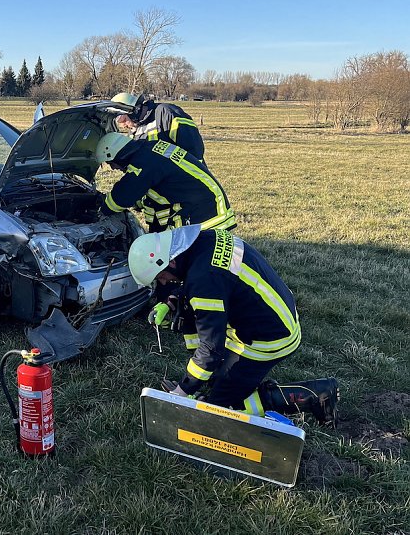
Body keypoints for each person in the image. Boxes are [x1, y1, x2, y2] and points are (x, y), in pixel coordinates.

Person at [128, 225, 339, 424]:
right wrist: (174, 300)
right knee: (215, 382)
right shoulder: (205, 240)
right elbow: (215, 281)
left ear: (169, 261)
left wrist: (182, 391)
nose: (164, 282)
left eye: (161, 276)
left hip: (267, 340)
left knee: (218, 411)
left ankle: (316, 395)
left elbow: (211, 348)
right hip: (274, 316)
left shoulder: (203, 280)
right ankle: (232, 385)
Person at [95, 132, 236, 233]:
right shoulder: (150, 148)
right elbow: (156, 186)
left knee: (188, 262)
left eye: (110, 163)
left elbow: (123, 196)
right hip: (209, 202)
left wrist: (103, 209)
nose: (113, 168)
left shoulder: (142, 164)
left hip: (204, 215)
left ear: (118, 157)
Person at [111, 92, 205, 160]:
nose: (122, 125)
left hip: (182, 180)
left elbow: (195, 150)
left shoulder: (167, 114)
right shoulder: (135, 129)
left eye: (122, 119)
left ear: (133, 111)